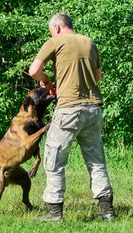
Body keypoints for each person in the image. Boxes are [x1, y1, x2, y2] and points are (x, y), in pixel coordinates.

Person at [28, 13, 115, 222]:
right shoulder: (89, 42)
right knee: (96, 161)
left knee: (54, 158)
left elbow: (34, 71)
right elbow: (97, 76)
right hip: (93, 109)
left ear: (56, 28)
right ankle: (107, 212)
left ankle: (55, 213)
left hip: (68, 110)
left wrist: (47, 80)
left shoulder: (55, 41)